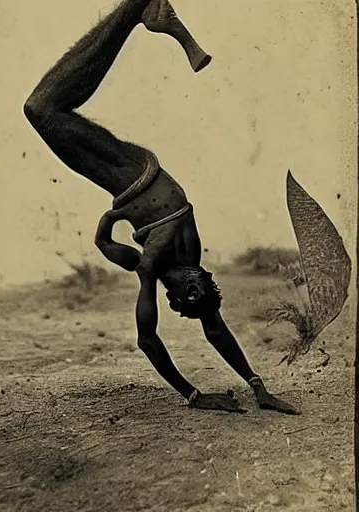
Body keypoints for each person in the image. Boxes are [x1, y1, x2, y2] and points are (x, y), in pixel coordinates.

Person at [24, 0, 299, 414]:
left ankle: (139, 11)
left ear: (177, 300)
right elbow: (212, 325)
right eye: (200, 288)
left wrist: (209, 393)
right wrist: (256, 386)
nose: (191, 288)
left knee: (44, 110)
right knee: (44, 109)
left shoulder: (151, 266)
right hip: (138, 174)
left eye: (187, 297)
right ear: (204, 279)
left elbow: (148, 338)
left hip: (125, 180)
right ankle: (138, 10)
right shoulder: (177, 259)